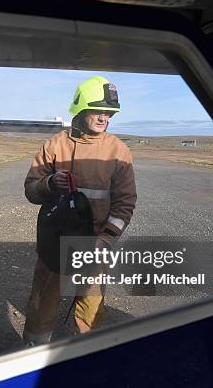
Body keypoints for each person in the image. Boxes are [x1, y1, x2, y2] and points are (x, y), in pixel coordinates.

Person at [22, 76, 137, 345]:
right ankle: (32, 355)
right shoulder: (54, 145)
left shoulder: (118, 151)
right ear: (82, 108)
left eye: (109, 113)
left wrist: (105, 240)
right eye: (99, 110)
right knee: (42, 303)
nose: (104, 118)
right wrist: (49, 184)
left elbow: (125, 204)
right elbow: (30, 190)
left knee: (91, 308)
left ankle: (86, 357)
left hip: (95, 245)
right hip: (55, 245)